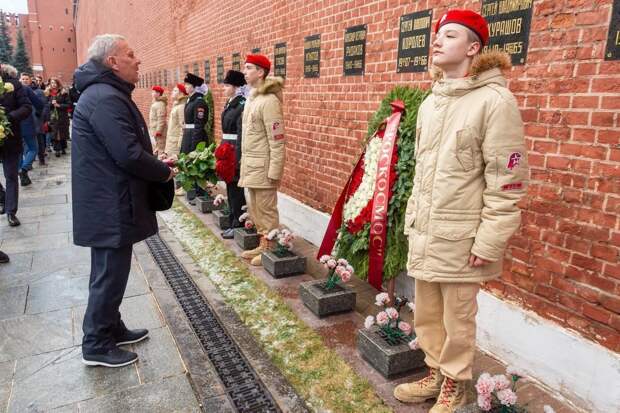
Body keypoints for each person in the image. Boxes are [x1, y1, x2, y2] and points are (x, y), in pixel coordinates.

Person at [393, 10, 528, 412]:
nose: (436, 40)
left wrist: (489, 240)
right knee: (429, 313)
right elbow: (425, 172)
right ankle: (436, 372)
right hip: (428, 231)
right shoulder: (434, 101)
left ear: (473, 48)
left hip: (462, 237)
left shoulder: (495, 102)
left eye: (448, 35)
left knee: (458, 318)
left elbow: (508, 182)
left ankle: (456, 383)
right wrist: (414, 222)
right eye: (436, 34)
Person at [72, 34, 176, 368]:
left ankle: (110, 326)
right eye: (130, 54)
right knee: (109, 273)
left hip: (111, 201)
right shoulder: (104, 98)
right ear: (112, 62)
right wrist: (162, 172)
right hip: (109, 204)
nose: (138, 60)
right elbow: (127, 153)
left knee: (110, 271)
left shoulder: (106, 93)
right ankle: (97, 343)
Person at [238, 55, 285, 266]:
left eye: (249, 68)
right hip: (251, 165)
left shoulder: (269, 101)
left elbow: (277, 140)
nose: (245, 71)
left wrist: (275, 171)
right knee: (255, 209)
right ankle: (262, 243)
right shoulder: (252, 98)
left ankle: (271, 249)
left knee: (267, 209)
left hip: (264, 167)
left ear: (261, 72)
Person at [0, 63, 32, 227]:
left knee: (11, 176)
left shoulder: (14, 84)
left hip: (10, 137)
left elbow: (26, 107)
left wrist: (8, 117)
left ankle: (11, 212)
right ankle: (2, 197)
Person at [218, 70, 247, 239]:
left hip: (234, 151)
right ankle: (232, 219)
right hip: (227, 149)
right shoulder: (231, 103)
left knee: (236, 189)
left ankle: (238, 223)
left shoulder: (241, 105)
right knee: (230, 188)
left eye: (227, 85)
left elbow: (241, 133)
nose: (224, 88)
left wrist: (237, 158)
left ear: (236, 87)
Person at [180, 72, 208, 201]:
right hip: (188, 135)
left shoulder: (199, 101)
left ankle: (199, 192)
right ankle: (192, 190)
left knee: (197, 165)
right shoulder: (191, 99)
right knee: (189, 164)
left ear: (194, 86)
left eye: (187, 84)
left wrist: (195, 145)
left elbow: (199, 124)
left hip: (195, 137)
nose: (185, 87)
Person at [18, 73, 45, 185]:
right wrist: (38, 113)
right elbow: (39, 104)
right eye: (22, 79)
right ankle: (24, 169)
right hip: (27, 122)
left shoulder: (7, 89)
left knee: (19, 150)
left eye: (26, 79)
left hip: (13, 124)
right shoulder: (26, 89)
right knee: (33, 148)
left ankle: (22, 172)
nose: (24, 80)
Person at [46, 78, 71, 157]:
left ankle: (63, 147)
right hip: (53, 116)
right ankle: (57, 149)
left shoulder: (63, 93)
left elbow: (68, 104)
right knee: (55, 133)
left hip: (62, 116)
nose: (53, 84)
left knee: (62, 132)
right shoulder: (47, 93)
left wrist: (59, 105)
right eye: (52, 83)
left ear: (58, 83)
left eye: (55, 83)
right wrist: (51, 104)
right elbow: (45, 105)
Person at [148, 85, 167, 155]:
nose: (152, 93)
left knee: (161, 148)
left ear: (158, 93)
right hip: (155, 130)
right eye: (152, 92)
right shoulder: (156, 103)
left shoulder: (160, 104)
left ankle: (162, 162)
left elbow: (161, 118)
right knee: (157, 147)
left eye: (154, 92)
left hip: (159, 131)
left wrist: (159, 131)